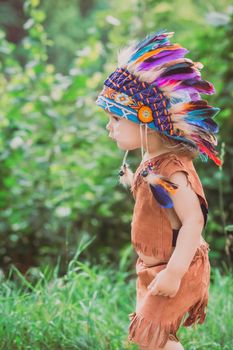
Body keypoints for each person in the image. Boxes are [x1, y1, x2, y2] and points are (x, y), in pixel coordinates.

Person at [95, 31, 221, 350]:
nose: (109, 128)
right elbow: (157, 198)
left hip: (176, 266)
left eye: (115, 118)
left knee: (153, 339)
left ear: (145, 118)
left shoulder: (172, 169)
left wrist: (174, 273)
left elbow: (193, 221)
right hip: (152, 268)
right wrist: (132, 182)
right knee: (155, 338)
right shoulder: (152, 162)